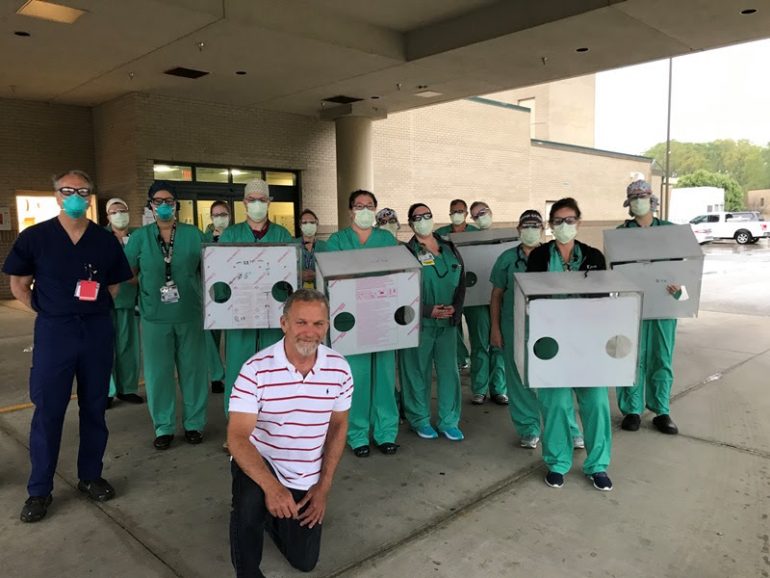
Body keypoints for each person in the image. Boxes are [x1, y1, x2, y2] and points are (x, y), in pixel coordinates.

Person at [2, 169, 133, 523]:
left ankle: (90, 475)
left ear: (90, 196)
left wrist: (87, 309)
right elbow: (19, 283)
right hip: (54, 333)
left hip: (95, 332)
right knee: (48, 412)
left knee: (94, 407)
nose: (75, 196)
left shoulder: (103, 241)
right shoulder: (36, 237)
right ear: (57, 194)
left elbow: (116, 287)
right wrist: (47, 310)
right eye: (68, 190)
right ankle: (39, 490)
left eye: (83, 191)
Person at [228, 289, 351, 576]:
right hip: (263, 462)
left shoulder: (339, 369)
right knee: (248, 504)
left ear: (327, 326)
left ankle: (272, 518)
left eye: (318, 324)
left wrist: (324, 487)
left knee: (304, 562)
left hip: (306, 469)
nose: (309, 332)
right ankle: (247, 571)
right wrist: (272, 488)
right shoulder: (255, 371)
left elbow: (338, 425)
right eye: (301, 322)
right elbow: (236, 437)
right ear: (284, 324)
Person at [526, 197, 613, 491]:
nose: (564, 226)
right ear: (551, 225)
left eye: (570, 220)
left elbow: (603, 300)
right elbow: (531, 298)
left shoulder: (593, 256)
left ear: (579, 222)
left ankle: (597, 464)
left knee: (597, 403)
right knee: (556, 403)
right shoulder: (538, 258)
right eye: (558, 221)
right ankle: (557, 462)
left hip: (587, 341)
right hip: (550, 339)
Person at [124, 181, 209, 450]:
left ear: (177, 205)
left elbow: (208, 271)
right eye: (158, 201)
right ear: (150, 205)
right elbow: (128, 273)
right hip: (154, 316)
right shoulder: (140, 237)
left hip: (189, 314)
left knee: (193, 371)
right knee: (158, 373)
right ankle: (164, 426)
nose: (163, 206)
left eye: (169, 201)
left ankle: (194, 424)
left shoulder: (194, 235)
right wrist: (151, 289)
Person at [319, 190, 400, 456]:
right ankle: (356, 434)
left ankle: (386, 432)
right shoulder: (337, 241)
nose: (365, 210)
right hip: (350, 318)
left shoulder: (386, 239)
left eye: (369, 206)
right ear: (350, 210)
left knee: (385, 376)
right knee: (357, 378)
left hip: (382, 314)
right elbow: (333, 276)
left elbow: (398, 274)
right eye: (359, 205)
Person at [219, 179, 293, 416]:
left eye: (262, 200)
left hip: (274, 313)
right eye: (252, 200)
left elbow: (289, 276)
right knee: (239, 371)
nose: (257, 204)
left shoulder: (282, 234)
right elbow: (220, 273)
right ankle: (237, 429)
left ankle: (273, 427)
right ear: (244, 203)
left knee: (274, 369)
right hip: (240, 315)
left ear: (269, 203)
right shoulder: (230, 235)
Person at [616, 180, 680, 435]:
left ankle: (661, 410)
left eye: (643, 196)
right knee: (631, 355)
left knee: (661, 356)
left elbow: (685, 270)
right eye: (634, 197)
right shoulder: (621, 234)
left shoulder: (671, 232)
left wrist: (680, 290)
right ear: (629, 203)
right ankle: (632, 409)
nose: (639, 201)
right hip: (631, 303)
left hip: (663, 304)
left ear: (652, 199)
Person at [400, 203, 466, 441]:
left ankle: (449, 421)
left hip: (448, 324)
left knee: (450, 373)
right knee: (417, 373)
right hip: (419, 325)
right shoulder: (407, 252)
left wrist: (455, 309)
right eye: (417, 217)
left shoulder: (449, 248)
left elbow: (461, 282)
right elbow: (400, 292)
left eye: (427, 215)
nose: (423, 220)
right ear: (410, 223)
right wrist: (427, 310)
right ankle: (420, 418)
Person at [462, 201, 507, 405]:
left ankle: (499, 388)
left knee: (499, 344)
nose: (480, 217)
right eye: (475, 215)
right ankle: (479, 389)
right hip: (476, 301)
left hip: (500, 298)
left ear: (491, 212)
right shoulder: (468, 241)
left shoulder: (503, 241)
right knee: (480, 344)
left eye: (483, 212)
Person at [104, 197, 143, 407]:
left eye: (122, 210)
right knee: (105, 347)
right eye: (114, 212)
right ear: (108, 216)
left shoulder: (139, 235)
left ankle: (127, 388)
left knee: (128, 346)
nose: (119, 215)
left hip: (131, 300)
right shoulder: (100, 236)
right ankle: (107, 391)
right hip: (106, 301)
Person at [435, 199, 478, 372]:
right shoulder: (441, 234)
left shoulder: (476, 233)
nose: (457, 214)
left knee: (477, 329)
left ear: (466, 214)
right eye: (454, 211)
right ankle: (461, 358)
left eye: (460, 211)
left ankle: (478, 366)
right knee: (454, 325)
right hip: (451, 287)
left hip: (475, 286)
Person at [204, 200, 230, 394]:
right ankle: (216, 375)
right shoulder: (205, 237)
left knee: (234, 337)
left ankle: (234, 371)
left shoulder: (236, 234)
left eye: (223, 214)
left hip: (233, 292)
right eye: (216, 215)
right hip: (212, 292)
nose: (220, 218)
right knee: (211, 338)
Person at [298, 209, 326, 289]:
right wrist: (299, 274)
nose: (308, 225)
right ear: (300, 226)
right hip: (297, 293)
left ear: (317, 225)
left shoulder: (325, 247)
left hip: (320, 292)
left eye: (312, 222)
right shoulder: (292, 246)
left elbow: (331, 270)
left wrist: (316, 275)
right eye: (304, 223)